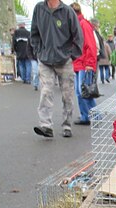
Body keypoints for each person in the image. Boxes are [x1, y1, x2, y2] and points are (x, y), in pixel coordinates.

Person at [30, 0, 82, 138]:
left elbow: (78, 35)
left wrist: (71, 55)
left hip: (64, 60)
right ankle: (46, 125)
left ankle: (67, 124)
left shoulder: (67, 12)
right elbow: (34, 33)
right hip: (45, 59)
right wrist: (38, 52)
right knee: (46, 91)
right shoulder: (39, 9)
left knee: (67, 95)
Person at [70, 3, 97, 127]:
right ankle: (86, 116)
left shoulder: (83, 25)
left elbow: (90, 45)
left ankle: (95, 115)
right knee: (81, 92)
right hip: (78, 63)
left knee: (84, 92)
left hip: (84, 64)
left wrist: (90, 64)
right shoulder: (77, 25)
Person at [92, 18, 112, 84]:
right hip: (104, 58)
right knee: (106, 69)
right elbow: (109, 52)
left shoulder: (99, 41)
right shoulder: (106, 44)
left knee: (100, 70)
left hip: (100, 59)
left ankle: (102, 79)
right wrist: (109, 58)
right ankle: (106, 77)